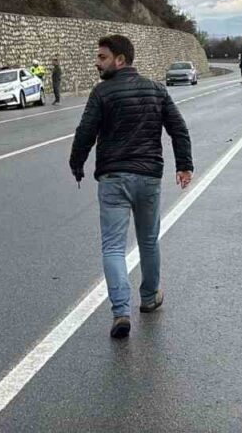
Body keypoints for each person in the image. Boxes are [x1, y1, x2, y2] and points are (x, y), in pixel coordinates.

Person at [70, 34, 193, 339]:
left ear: (120, 60)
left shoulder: (101, 93)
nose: (97, 63)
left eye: (102, 57)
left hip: (113, 178)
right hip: (149, 177)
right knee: (149, 241)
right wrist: (184, 165)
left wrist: (77, 163)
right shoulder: (156, 90)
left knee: (113, 246)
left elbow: (85, 131)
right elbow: (178, 128)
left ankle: (120, 312)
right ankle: (149, 298)